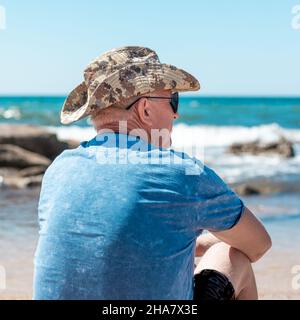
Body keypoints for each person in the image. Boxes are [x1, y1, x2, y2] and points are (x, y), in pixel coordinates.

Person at [33, 46, 272, 300]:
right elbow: (258, 246)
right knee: (231, 255)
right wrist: (200, 244)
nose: (176, 113)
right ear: (145, 109)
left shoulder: (59, 169)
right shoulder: (181, 174)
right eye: (173, 100)